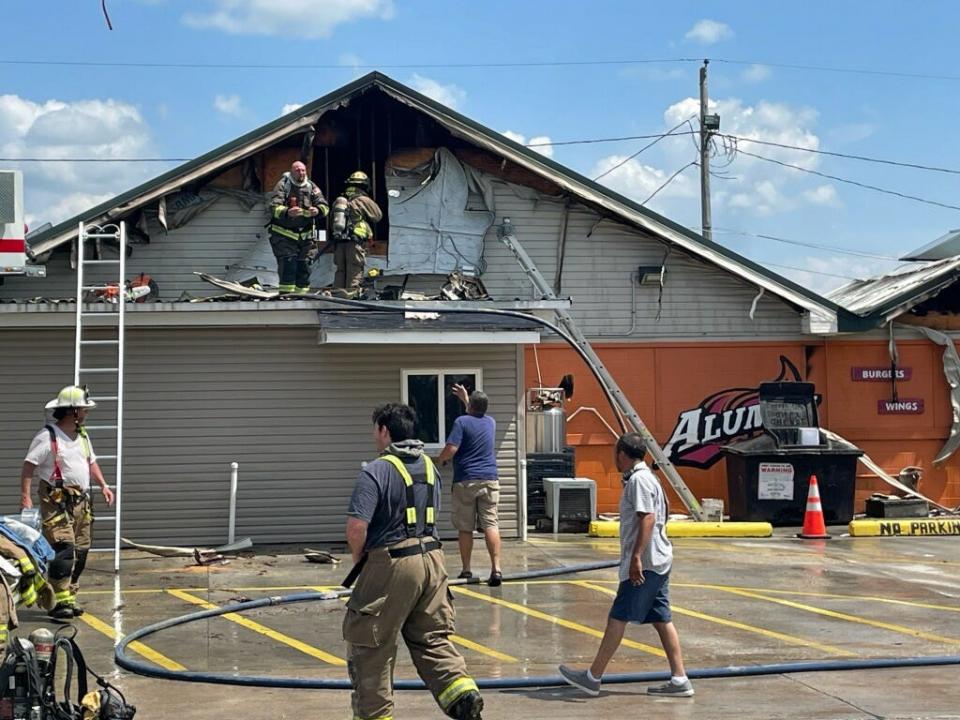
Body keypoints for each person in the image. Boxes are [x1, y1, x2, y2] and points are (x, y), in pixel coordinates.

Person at [342, 403, 483, 720]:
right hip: (433, 562)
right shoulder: (430, 468)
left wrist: (361, 562)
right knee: (431, 638)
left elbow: (356, 528)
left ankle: (375, 715)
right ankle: (462, 694)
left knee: (371, 644)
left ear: (383, 431)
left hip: (392, 563)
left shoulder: (376, 471)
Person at [558, 432, 693, 698]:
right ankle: (680, 679)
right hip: (659, 560)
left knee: (618, 617)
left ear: (622, 454)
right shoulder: (647, 478)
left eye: (615, 455)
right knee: (662, 618)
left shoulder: (639, 481)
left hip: (648, 563)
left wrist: (636, 558)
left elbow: (648, 519)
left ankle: (593, 677)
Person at [20, 386, 115, 620]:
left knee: (81, 552)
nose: (86, 413)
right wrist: (26, 497)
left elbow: (91, 462)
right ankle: (56, 602)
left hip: (81, 502)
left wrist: (103, 485)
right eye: (84, 409)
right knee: (64, 550)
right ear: (72, 411)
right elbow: (29, 466)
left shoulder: (82, 435)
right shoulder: (47, 436)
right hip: (56, 501)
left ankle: (68, 597)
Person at [437, 386, 501, 586]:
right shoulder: (491, 422)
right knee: (491, 524)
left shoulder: (461, 422)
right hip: (490, 479)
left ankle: (466, 570)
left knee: (465, 528)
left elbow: (452, 448)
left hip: (466, 481)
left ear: (470, 406)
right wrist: (467, 400)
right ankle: (496, 569)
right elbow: (475, 416)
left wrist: (439, 460)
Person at [267, 160, 329, 294]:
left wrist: (317, 210)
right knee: (288, 266)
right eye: (297, 170)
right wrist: (287, 212)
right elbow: (273, 207)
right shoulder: (283, 185)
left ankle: (301, 298)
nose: (301, 173)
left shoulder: (312, 186)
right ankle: (287, 296)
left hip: (306, 236)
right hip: (284, 235)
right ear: (292, 171)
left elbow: (324, 206)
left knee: (304, 267)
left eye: (303, 170)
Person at [331, 170, 382, 289]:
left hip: (339, 243)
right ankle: (352, 298)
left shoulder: (340, 200)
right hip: (355, 243)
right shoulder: (362, 199)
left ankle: (338, 299)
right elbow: (377, 216)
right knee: (355, 270)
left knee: (341, 271)